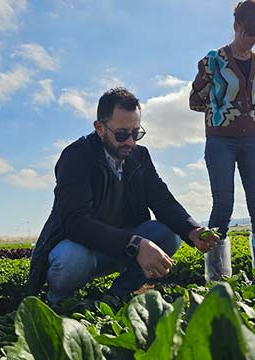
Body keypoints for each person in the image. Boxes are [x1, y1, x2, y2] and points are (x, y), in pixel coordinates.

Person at [26, 87, 220, 304]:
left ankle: (118, 295)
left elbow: (161, 199)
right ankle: (60, 301)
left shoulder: (140, 156)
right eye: (121, 134)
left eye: (136, 133)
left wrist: (192, 230)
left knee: (169, 234)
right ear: (100, 128)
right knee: (72, 259)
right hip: (82, 249)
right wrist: (135, 244)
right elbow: (75, 222)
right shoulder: (76, 156)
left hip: (119, 247)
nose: (130, 142)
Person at [189, 0, 255, 280]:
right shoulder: (212, 61)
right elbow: (195, 101)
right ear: (237, 25)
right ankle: (217, 279)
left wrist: (249, 118)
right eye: (251, 31)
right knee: (223, 206)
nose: (254, 38)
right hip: (220, 141)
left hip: (254, 140)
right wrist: (222, 113)